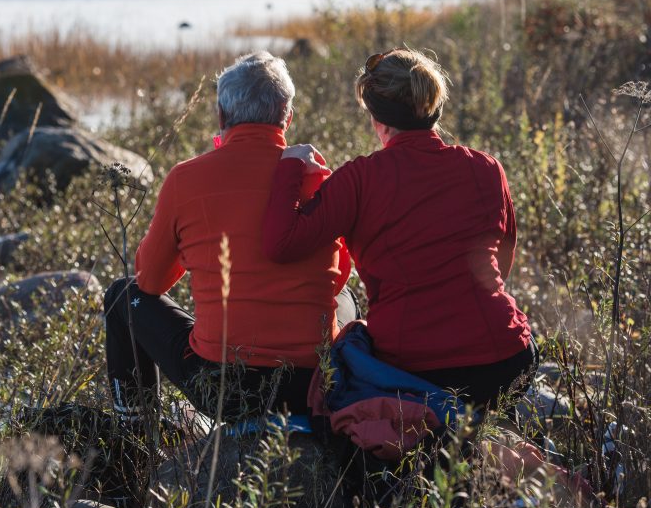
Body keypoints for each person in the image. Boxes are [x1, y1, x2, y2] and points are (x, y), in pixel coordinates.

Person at [261, 48, 535, 410]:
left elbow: (282, 243)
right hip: (506, 361)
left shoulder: (360, 179)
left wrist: (291, 166)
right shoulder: (486, 168)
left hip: (414, 371)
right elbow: (502, 260)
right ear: (433, 107)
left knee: (350, 338)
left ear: (378, 118)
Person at [104, 51, 357, 426]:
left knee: (123, 296)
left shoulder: (185, 179)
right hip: (310, 387)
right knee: (346, 297)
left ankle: (135, 433)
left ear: (221, 117)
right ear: (287, 117)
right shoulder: (318, 177)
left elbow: (150, 281)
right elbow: (336, 279)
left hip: (224, 390)